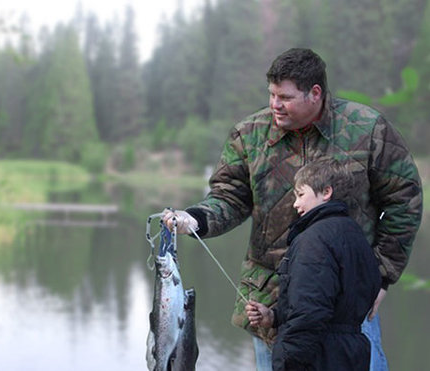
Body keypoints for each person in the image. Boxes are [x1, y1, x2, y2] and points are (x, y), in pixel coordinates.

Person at [162, 48, 423, 371]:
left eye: (284, 97)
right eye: (271, 94)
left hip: (349, 307)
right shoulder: (249, 133)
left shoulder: (368, 130)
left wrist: (381, 276)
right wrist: (196, 219)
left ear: (315, 93)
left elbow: (405, 199)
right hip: (271, 302)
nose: (274, 104)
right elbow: (229, 196)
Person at [245, 157, 382, 370]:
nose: (296, 204)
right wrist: (274, 316)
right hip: (352, 355)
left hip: (318, 358)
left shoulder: (314, 240)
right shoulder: (357, 236)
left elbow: (310, 313)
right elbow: (334, 304)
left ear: (326, 192)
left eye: (301, 195)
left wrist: (286, 363)